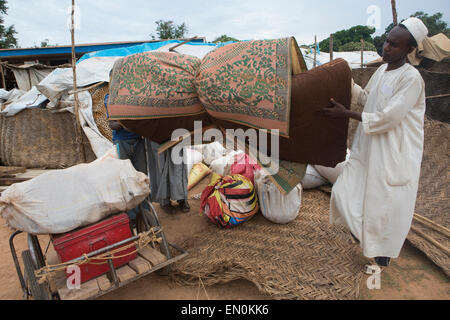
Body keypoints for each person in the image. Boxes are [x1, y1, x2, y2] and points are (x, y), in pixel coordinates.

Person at [322, 17, 428, 272]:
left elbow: (388, 117)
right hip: (369, 145)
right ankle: (363, 235)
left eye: (394, 45)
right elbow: (367, 99)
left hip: (395, 150)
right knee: (344, 190)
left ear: (409, 50)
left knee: (386, 204)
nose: (386, 47)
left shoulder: (411, 79)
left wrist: (345, 115)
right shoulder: (382, 70)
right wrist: (345, 81)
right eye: (387, 41)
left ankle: (383, 252)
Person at [146, 140, 190, 214]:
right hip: (155, 136)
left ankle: (182, 199)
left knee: (178, 166)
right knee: (161, 168)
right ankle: (164, 202)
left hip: (174, 134)